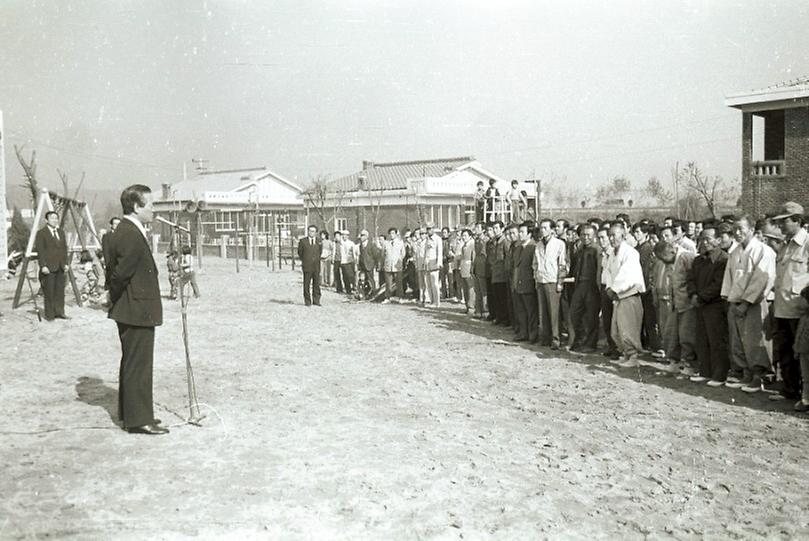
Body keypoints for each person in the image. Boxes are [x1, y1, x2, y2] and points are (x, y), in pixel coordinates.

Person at [107, 184, 168, 435]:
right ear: (136, 207)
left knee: (132, 363)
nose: (153, 209)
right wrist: (114, 295)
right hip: (136, 309)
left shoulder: (127, 229)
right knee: (139, 364)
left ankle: (131, 414)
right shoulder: (131, 232)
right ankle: (139, 420)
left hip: (132, 307)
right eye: (150, 205)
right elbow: (121, 273)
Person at [721, 216, 776, 393]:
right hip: (735, 302)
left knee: (755, 339)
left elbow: (761, 280)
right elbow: (729, 278)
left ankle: (759, 375)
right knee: (737, 340)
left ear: (751, 230)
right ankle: (745, 372)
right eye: (735, 229)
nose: (737, 233)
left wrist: (746, 302)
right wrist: (729, 298)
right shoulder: (735, 252)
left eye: (741, 229)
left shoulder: (763, 250)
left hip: (754, 302)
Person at [771, 202, 809, 402]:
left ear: (797, 221)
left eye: (784, 221)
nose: (781, 226)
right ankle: (789, 389)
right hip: (782, 307)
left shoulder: (807, 244)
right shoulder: (785, 245)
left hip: (799, 308)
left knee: (802, 354)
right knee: (785, 351)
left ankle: (805, 394)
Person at [687, 225, 730, 386]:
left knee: (716, 339)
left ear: (718, 240)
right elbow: (690, 279)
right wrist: (693, 295)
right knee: (702, 338)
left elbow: (718, 284)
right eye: (702, 239)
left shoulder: (723, 260)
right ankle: (705, 371)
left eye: (708, 239)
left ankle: (719, 375)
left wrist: (701, 297)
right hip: (700, 304)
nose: (704, 242)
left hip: (715, 305)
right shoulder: (699, 260)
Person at [605, 223, 646, 367]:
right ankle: (626, 354)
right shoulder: (611, 254)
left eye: (614, 235)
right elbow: (608, 272)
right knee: (616, 329)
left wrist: (615, 289)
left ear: (622, 236)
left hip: (629, 295)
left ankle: (633, 356)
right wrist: (610, 287)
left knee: (628, 328)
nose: (611, 238)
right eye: (609, 235)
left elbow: (627, 275)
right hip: (617, 297)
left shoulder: (631, 252)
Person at [654, 241, 697, 376]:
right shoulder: (670, 263)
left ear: (672, 251)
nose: (664, 261)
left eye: (664, 257)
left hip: (688, 304)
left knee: (686, 335)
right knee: (671, 334)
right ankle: (674, 362)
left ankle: (689, 364)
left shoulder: (686, 257)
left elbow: (693, 280)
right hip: (675, 304)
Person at [533, 219, 566, 349]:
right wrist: (536, 277)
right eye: (541, 228)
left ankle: (556, 339)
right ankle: (545, 338)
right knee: (543, 312)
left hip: (553, 281)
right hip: (541, 280)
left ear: (552, 230)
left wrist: (560, 282)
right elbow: (535, 263)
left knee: (554, 312)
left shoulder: (559, 244)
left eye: (545, 228)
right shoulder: (538, 245)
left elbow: (563, 264)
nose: (543, 230)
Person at [569, 224, 601, 353]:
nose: (585, 237)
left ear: (594, 236)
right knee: (574, 313)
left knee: (591, 316)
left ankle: (590, 344)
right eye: (583, 234)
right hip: (579, 285)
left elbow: (598, 270)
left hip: (591, 286)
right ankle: (579, 340)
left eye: (588, 235)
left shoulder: (596, 250)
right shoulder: (580, 249)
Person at [34, 211, 69, 321]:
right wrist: (43, 265)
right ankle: (50, 315)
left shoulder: (61, 232)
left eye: (56, 218)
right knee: (49, 291)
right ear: (46, 220)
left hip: (60, 266)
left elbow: (64, 249)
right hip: (48, 267)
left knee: (60, 291)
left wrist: (66, 263)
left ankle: (60, 312)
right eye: (52, 218)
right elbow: (40, 251)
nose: (55, 220)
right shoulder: (41, 233)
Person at [633, 222, 661, 356]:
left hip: (646, 287)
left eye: (639, 232)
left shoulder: (648, 248)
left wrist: (646, 286)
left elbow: (647, 270)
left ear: (646, 234)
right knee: (641, 318)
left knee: (650, 319)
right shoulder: (637, 248)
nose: (636, 235)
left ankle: (655, 346)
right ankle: (644, 344)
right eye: (635, 232)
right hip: (639, 286)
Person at [512, 222, 538, 342]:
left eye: (522, 232)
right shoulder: (518, 248)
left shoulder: (534, 247)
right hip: (518, 283)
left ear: (529, 234)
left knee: (531, 311)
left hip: (529, 283)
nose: (520, 235)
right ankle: (523, 333)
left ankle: (533, 334)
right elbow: (516, 267)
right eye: (520, 232)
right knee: (521, 310)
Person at [598, 224, 619, 359]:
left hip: (614, 289)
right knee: (606, 320)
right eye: (599, 238)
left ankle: (617, 348)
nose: (602, 241)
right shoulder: (603, 254)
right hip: (604, 288)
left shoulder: (614, 253)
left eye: (604, 237)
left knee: (614, 320)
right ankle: (611, 346)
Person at [489, 221, 510, 325]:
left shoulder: (505, 241)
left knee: (503, 298)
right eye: (494, 228)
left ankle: (505, 318)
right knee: (496, 297)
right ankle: (499, 317)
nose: (495, 230)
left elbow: (507, 258)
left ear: (502, 229)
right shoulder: (494, 241)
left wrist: (506, 272)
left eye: (497, 228)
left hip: (502, 274)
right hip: (495, 273)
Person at [297, 225, 322, 306]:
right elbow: (300, 253)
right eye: (310, 231)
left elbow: (320, 252)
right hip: (307, 266)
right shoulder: (303, 241)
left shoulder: (319, 241)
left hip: (316, 266)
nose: (311, 232)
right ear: (308, 231)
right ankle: (307, 301)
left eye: (313, 231)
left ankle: (316, 300)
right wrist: (306, 260)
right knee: (306, 284)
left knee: (316, 284)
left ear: (316, 232)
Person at [382, 227, 405, 303]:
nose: (391, 235)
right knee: (388, 283)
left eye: (393, 233)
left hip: (397, 266)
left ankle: (400, 297)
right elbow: (383, 254)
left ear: (396, 234)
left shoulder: (400, 242)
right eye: (390, 233)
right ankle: (387, 297)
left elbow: (403, 253)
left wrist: (399, 260)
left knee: (399, 282)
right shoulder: (386, 243)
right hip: (388, 265)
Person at [471, 222, 489, 318]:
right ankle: (478, 310)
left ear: (483, 229)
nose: (476, 229)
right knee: (477, 290)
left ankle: (485, 311)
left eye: (478, 227)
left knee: (483, 290)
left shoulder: (486, 240)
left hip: (483, 266)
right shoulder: (476, 240)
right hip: (477, 266)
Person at [457, 228, 476, 314]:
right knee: (465, 288)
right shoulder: (463, 245)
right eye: (462, 236)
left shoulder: (472, 244)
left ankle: (471, 307)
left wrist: (472, 268)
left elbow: (473, 258)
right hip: (463, 268)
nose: (463, 237)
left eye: (465, 236)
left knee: (470, 288)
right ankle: (467, 306)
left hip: (469, 269)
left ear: (470, 236)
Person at [424, 224, 443, 307]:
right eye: (427, 229)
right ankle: (432, 301)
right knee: (428, 284)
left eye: (430, 229)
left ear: (434, 229)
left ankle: (437, 302)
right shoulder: (427, 239)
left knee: (435, 284)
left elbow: (439, 252)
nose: (428, 230)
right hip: (427, 264)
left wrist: (439, 263)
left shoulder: (438, 239)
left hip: (434, 263)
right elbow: (426, 252)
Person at [357, 229, 379, 297]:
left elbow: (375, 255)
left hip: (369, 266)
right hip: (363, 265)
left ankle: (373, 293)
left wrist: (375, 265)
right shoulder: (361, 245)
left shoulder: (372, 245)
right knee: (362, 280)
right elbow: (361, 255)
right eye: (360, 235)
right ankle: (364, 294)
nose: (361, 237)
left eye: (362, 235)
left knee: (370, 280)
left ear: (367, 236)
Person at [102, 216, 120, 289]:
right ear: (111, 225)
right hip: (111, 264)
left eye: (119, 224)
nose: (117, 226)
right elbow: (106, 251)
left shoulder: (123, 236)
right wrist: (107, 264)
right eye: (115, 224)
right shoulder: (106, 237)